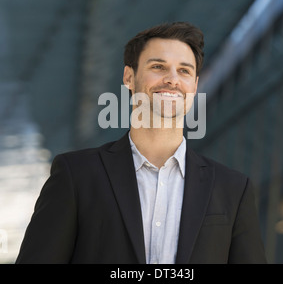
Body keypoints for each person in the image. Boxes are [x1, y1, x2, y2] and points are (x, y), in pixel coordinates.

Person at [15, 21, 267, 264]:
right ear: (128, 77)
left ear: (195, 86)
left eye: (184, 71)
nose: (172, 79)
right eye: (158, 67)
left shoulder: (232, 188)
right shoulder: (76, 175)